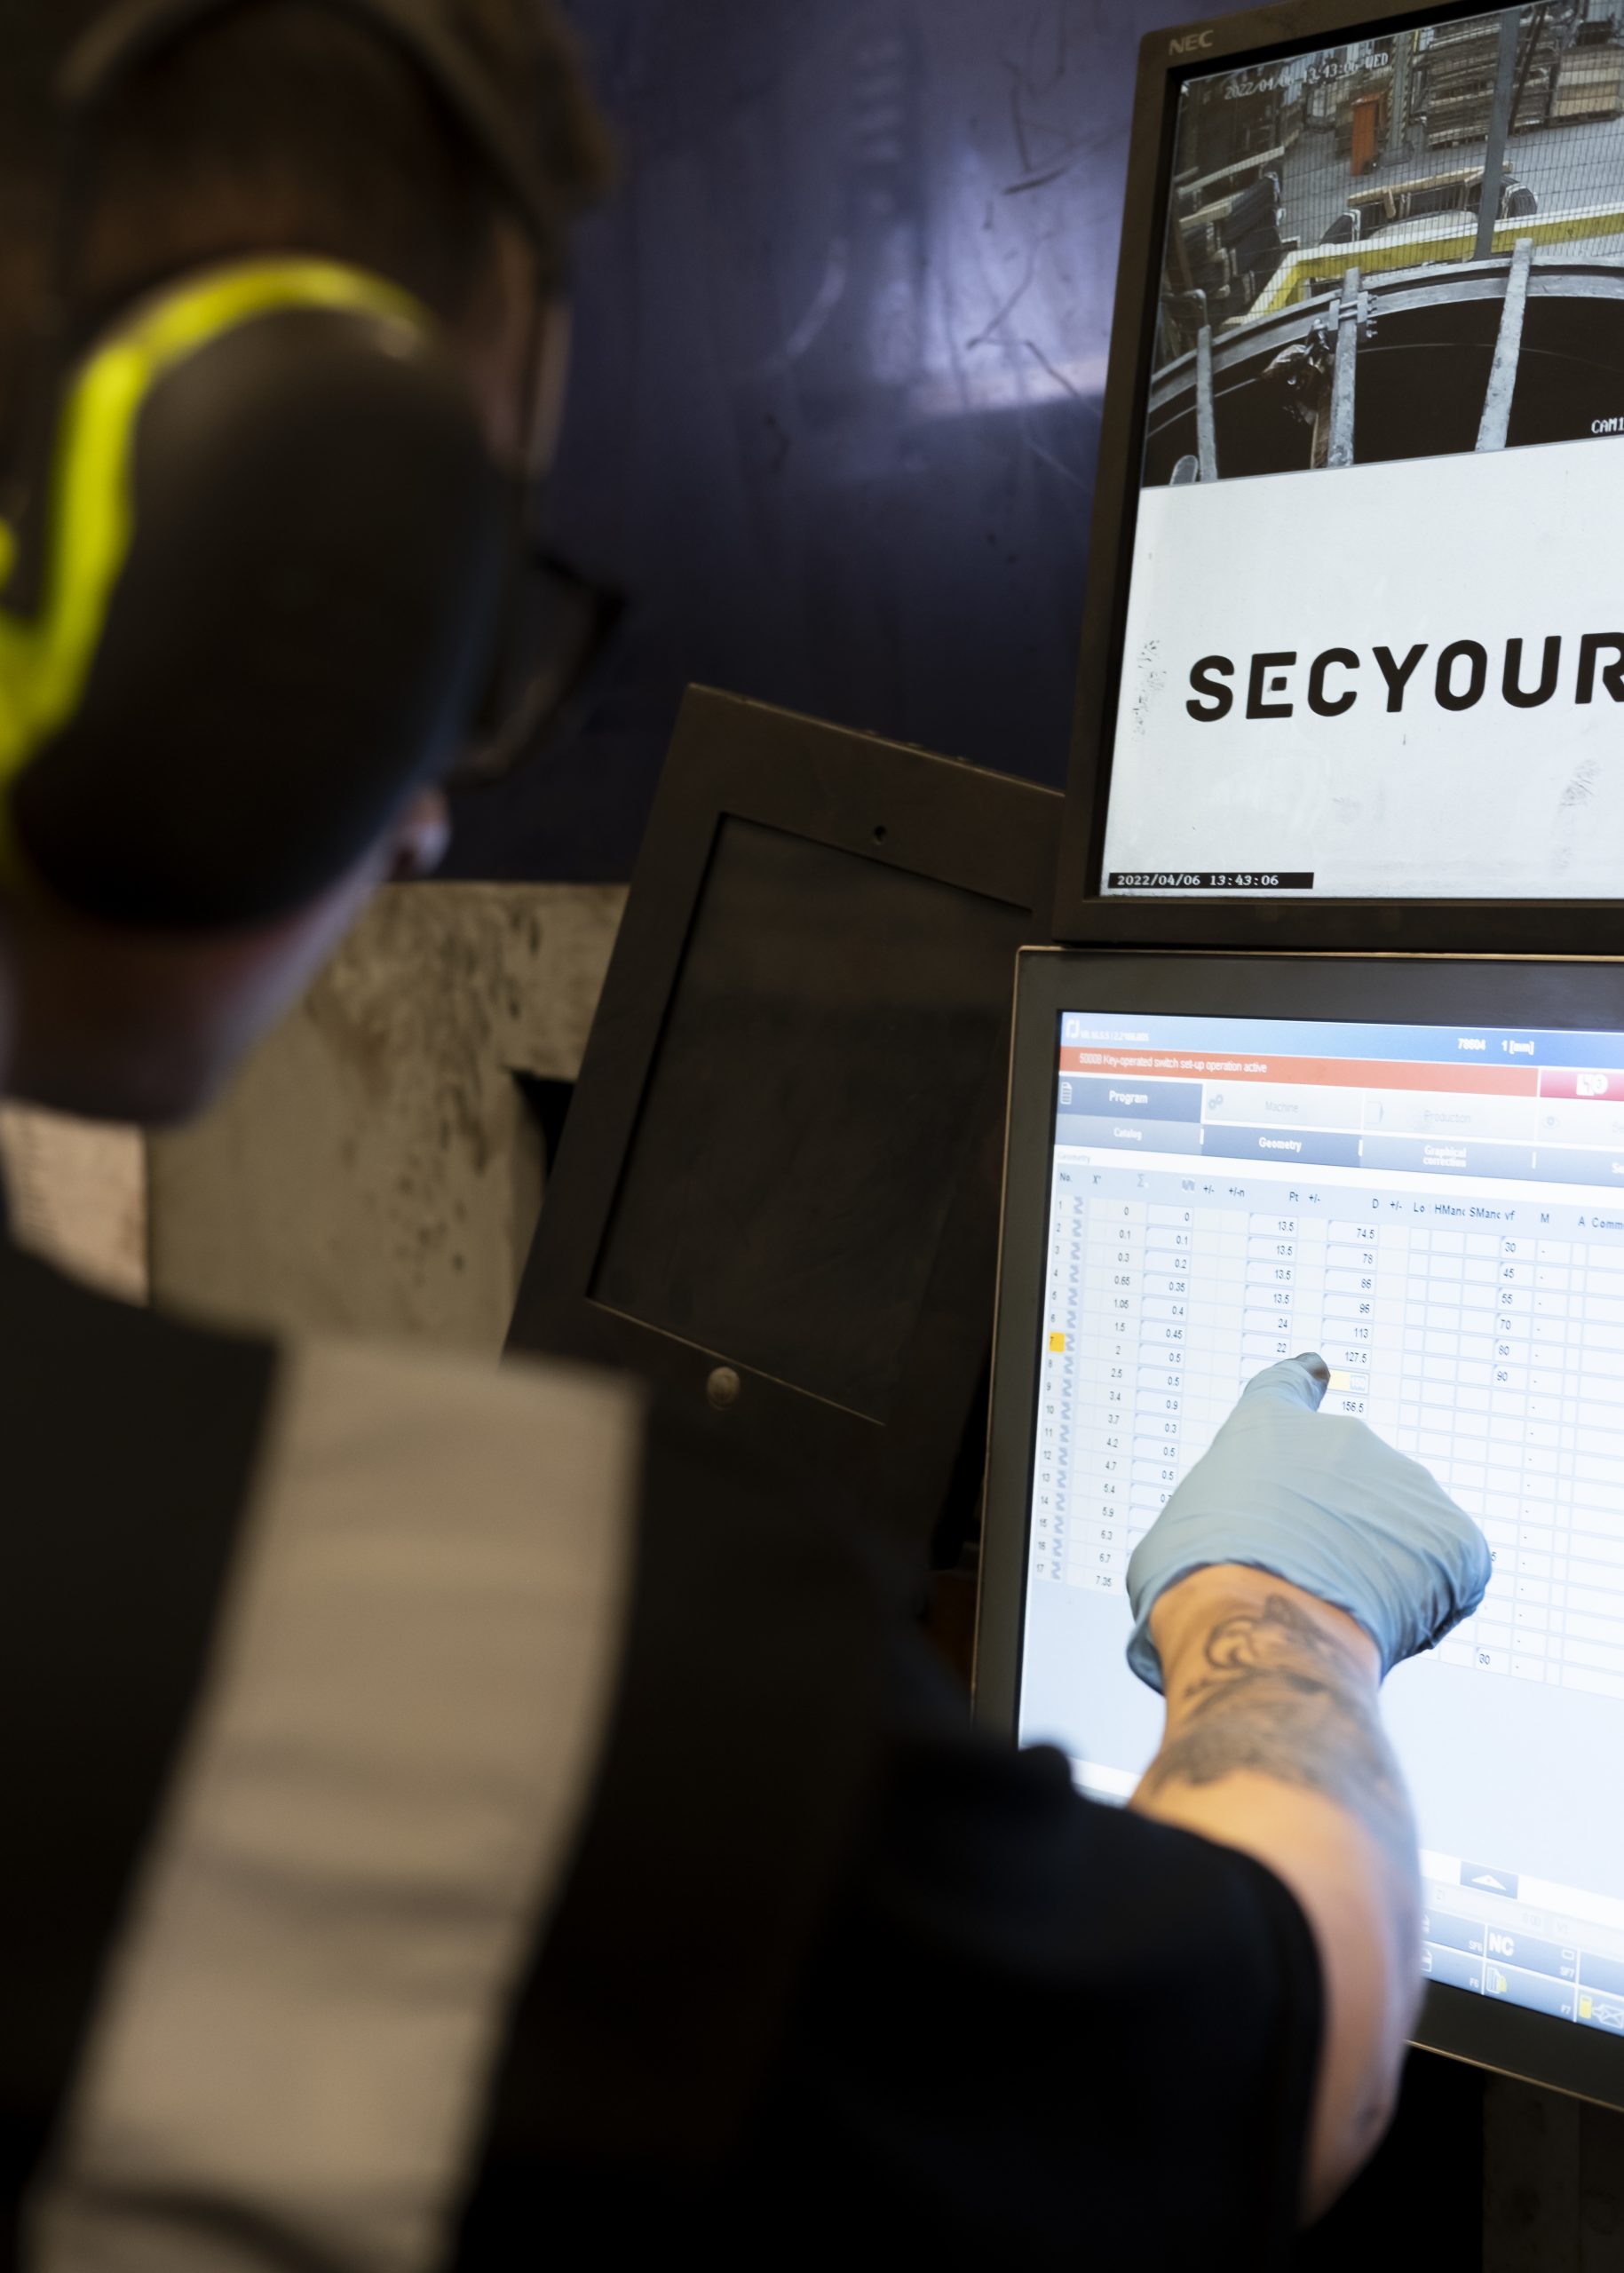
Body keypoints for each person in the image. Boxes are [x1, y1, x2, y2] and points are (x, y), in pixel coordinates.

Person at [0, 4, 1492, 2265]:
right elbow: (1281, 2041)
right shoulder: (464, 1668)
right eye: (436, 613)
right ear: (242, 588)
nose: (418, 809)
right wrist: (1276, 1621)